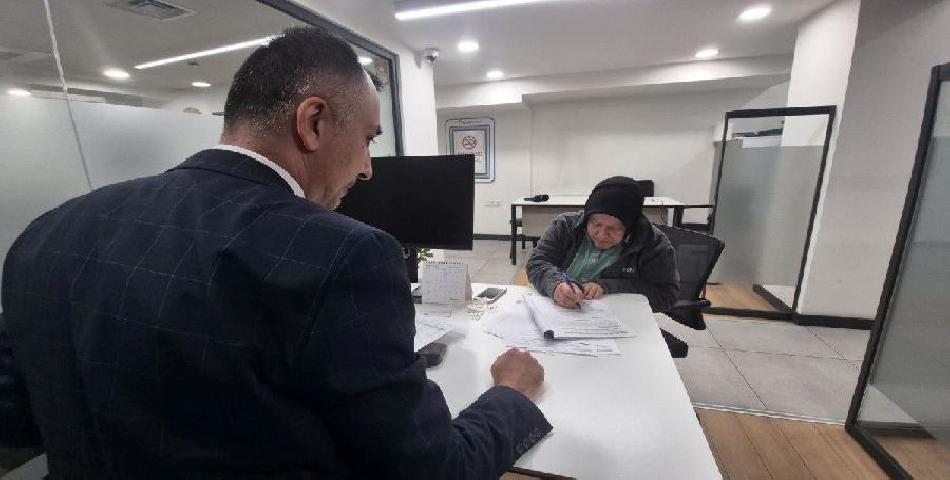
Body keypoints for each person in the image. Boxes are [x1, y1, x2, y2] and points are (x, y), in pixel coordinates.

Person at [1, 27, 550, 478]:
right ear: (313, 123)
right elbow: (432, 469)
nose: (367, 169)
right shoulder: (345, 254)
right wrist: (510, 395)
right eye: (367, 139)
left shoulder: (49, 231)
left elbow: (17, 419)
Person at [526, 176, 679, 312]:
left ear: (630, 228)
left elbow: (666, 295)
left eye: (613, 229)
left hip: (618, 319)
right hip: (559, 313)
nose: (601, 235)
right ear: (587, 217)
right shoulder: (565, 225)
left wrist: (607, 286)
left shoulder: (653, 243)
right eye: (596, 224)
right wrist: (556, 285)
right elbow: (537, 262)